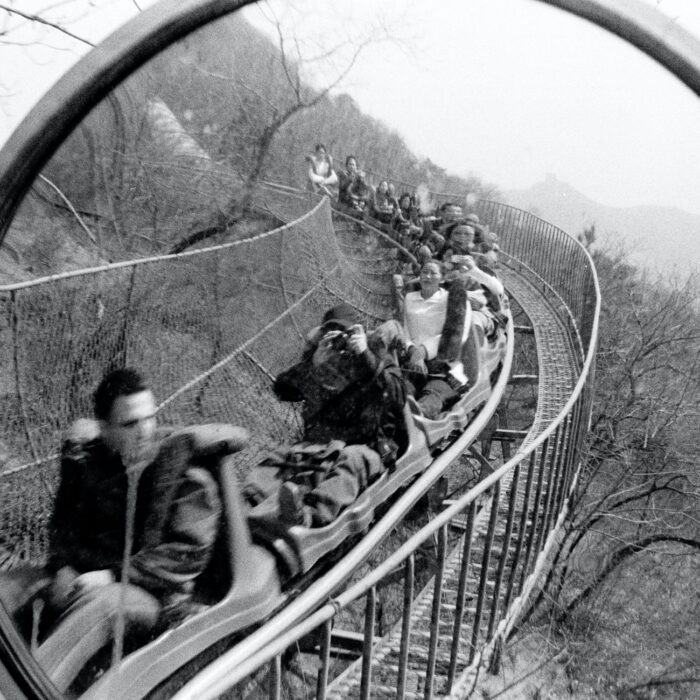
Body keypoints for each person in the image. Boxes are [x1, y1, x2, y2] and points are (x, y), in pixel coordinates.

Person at [32, 368, 226, 692]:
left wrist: (111, 576)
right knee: (13, 589)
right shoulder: (91, 464)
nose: (144, 431)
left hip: (152, 595)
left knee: (103, 607)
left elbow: (185, 556)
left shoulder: (185, 478)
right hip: (81, 576)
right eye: (130, 423)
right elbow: (62, 527)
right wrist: (62, 565)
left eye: (149, 418)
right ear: (104, 429)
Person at [244, 305, 407, 528]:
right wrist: (313, 365)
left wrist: (364, 355)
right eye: (333, 334)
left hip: (365, 444)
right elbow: (282, 389)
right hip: (321, 443)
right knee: (283, 457)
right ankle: (245, 502)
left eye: (345, 334)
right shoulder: (322, 360)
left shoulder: (376, 358)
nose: (340, 341)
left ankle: (309, 515)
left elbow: (398, 397)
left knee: (351, 463)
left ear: (358, 334)